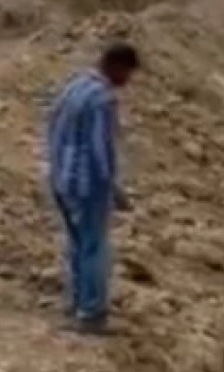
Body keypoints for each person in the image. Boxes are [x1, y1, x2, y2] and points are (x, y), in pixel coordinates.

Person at [46, 42, 140, 335]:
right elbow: (101, 151)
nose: (128, 80)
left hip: (61, 179)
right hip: (88, 186)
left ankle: (76, 303)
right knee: (95, 246)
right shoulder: (102, 99)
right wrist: (114, 189)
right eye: (128, 73)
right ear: (116, 66)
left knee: (77, 244)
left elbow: (52, 129)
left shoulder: (74, 87)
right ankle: (92, 313)